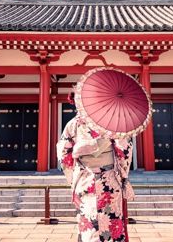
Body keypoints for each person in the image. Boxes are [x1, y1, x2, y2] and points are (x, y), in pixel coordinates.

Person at [57, 93, 134, 242]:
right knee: (110, 224)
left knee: (89, 224)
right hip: (109, 179)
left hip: (85, 179)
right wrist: (123, 174)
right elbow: (124, 150)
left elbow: (64, 154)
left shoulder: (72, 125)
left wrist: (74, 174)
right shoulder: (110, 124)